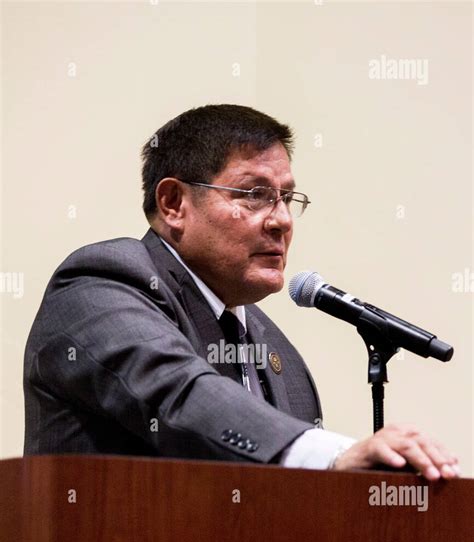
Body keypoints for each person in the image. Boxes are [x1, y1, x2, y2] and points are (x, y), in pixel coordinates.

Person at [23, 104, 459, 480]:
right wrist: (335, 455)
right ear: (174, 203)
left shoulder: (279, 354)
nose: (282, 220)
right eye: (254, 194)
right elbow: (177, 395)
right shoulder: (101, 283)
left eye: (287, 197)